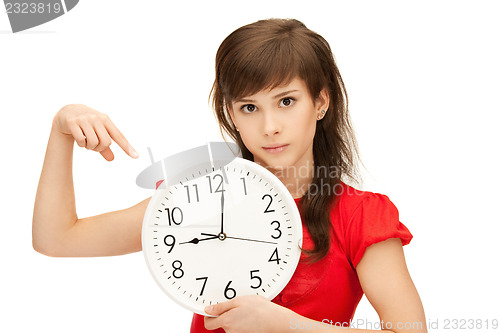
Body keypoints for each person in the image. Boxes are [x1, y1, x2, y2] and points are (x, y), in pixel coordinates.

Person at [33, 18, 427, 333]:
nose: (270, 126)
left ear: (320, 102)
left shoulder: (361, 215)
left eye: (286, 101)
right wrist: (60, 129)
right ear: (232, 114)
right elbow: (57, 239)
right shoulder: (196, 198)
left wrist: (285, 326)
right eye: (249, 107)